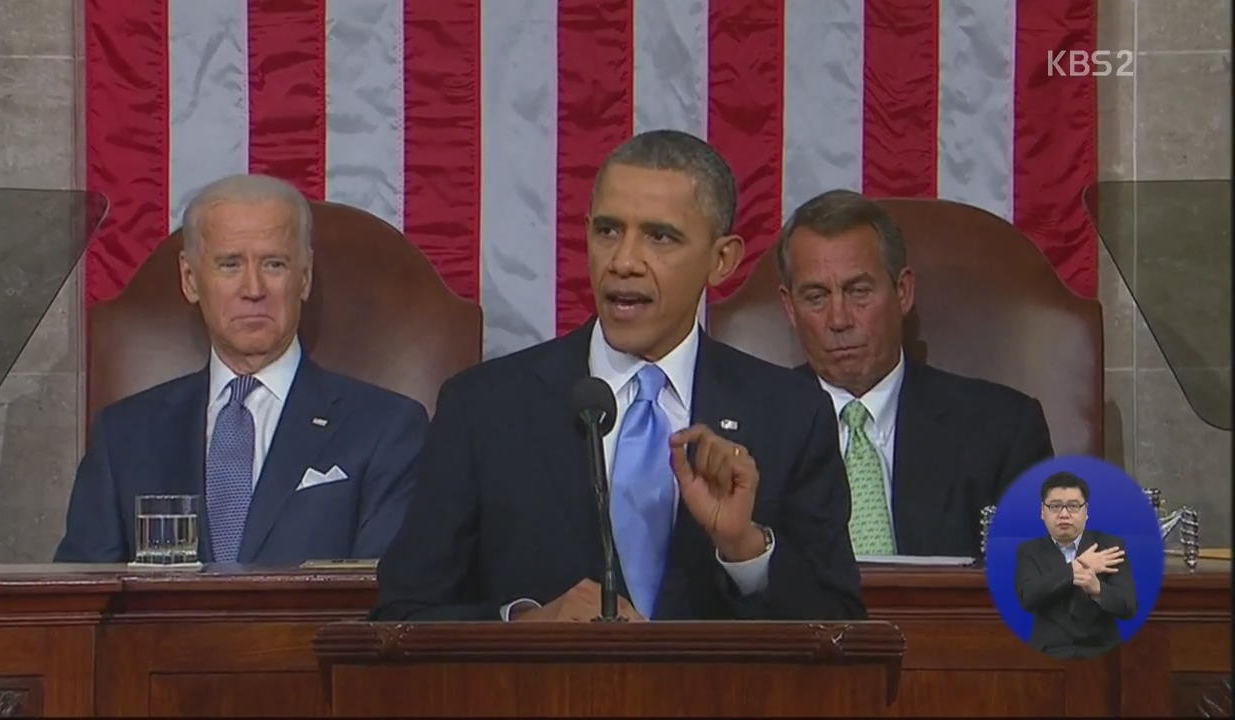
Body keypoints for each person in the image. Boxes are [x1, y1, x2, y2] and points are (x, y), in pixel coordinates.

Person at [373, 130, 863, 622]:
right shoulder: (484, 409)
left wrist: (745, 549)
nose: (623, 262)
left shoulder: (790, 413)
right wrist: (525, 625)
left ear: (721, 260)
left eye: (660, 237)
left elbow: (841, 630)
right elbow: (400, 617)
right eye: (607, 231)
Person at [55, 174, 427, 565]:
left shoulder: (386, 427)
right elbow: (81, 603)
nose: (253, 288)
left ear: (304, 276)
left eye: (274, 264)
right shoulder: (125, 435)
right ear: (190, 279)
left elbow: (384, 598)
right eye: (230, 264)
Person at [776, 189, 1053, 557]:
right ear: (790, 308)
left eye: (858, 291)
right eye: (816, 297)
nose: (838, 320)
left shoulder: (1002, 429)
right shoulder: (748, 429)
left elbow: (1038, 583)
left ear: (902, 292)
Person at [1014, 472, 1137, 659]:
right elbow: (1028, 598)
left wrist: (1097, 589)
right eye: (1055, 506)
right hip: (1048, 652)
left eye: (1073, 506)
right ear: (1042, 511)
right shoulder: (1029, 551)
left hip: (1102, 651)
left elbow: (1128, 608)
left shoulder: (1110, 546)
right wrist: (1076, 568)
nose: (1064, 514)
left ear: (1086, 511)